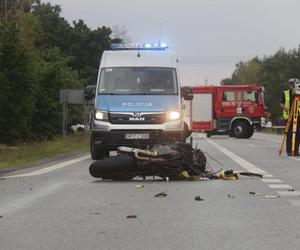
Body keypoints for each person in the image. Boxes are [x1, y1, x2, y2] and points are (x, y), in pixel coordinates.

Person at [280, 78, 300, 156]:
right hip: (288, 116)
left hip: (298, 116)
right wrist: (286, 108)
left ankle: (295, 150)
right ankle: (289, 151)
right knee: (289, 134)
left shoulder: (298, 93)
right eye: (293, 85)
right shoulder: (285, 93)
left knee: (298, 134)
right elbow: (281, 103)